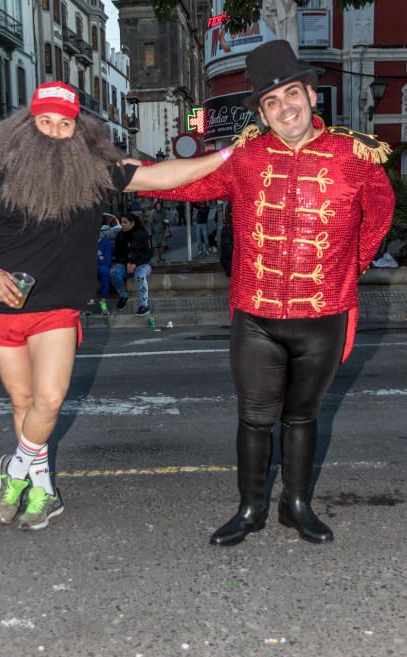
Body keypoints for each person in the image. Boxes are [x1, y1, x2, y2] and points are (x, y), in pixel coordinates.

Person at [138, 40, 395, 545]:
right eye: (271, 101)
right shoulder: (245, 157)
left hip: (323, 314)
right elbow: (182, 186)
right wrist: (116, 172)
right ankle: (251, 508)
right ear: (261, 111)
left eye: (291, 94)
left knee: (302, 415)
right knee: (254, 418)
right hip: (255, 314)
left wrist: (347, 266)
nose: (284, 108)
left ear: (311, 96)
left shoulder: (355, 156)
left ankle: (295, 505)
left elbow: (381, 212)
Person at [0, 80, 235, 531]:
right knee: (23, 400)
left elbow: (160, 175)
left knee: (48, 398)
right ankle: (43, 488)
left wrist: (227, 156)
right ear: (28, 124)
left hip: (58, 306)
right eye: (44, 121)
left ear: (77, 128)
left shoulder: (94, 169)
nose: (53, 131)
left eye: (64, 124)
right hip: (2, 304)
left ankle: (17, 469)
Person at [110, 213, 153, 316]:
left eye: (125, 222)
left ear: (132, 223)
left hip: (143, 264)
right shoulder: (120, 235)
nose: (122, 225)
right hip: (126, 264)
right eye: (121, 222)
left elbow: (149, 253)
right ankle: (123, 296)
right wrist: (127, 263)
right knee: (113, 272)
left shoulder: (143, 234)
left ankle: (144, 306)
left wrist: (135, 264)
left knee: (139, 274)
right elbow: (117, 253)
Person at [97, 230, 112, 316]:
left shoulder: (105, 242)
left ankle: (103, 305)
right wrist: (100, 257)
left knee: (105, 271)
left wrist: (96, 258)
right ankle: (88, 305)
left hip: (103, 267)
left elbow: (107, 260)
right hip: (91, 267)